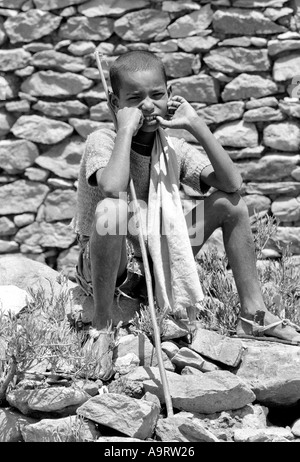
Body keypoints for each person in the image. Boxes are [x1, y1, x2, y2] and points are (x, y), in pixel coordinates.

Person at [72, 50, 300, 380]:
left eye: (157, 95)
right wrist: (123, 129)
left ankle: (253, 313)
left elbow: (232, 183)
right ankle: (103, 326)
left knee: (230, 204)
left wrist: (196, 124)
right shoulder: (103, 140)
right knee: (112, 208)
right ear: (114, 102)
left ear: (169, 95)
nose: (147, 106)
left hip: (159, 254)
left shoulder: (172, 148)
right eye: (134, 99)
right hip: (112, 263)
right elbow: (112, 187)